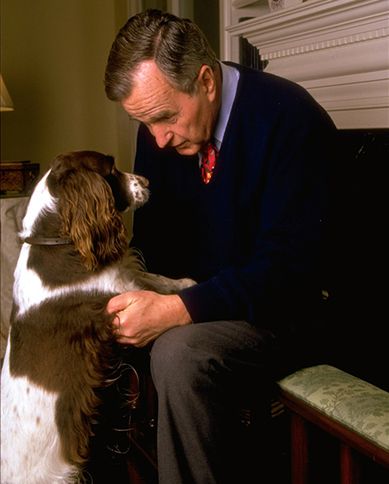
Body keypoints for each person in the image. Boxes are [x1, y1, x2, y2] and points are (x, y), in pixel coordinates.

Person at [103, 8, 337, 484]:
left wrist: (175, 309)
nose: (158, 141)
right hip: (204, 299)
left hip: (282, 311)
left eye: (165, 118)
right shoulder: (163, 128)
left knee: (178, 353)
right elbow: (153, 243)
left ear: (206, 81)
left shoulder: (290, 117)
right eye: (144, 124)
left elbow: (288, 271)